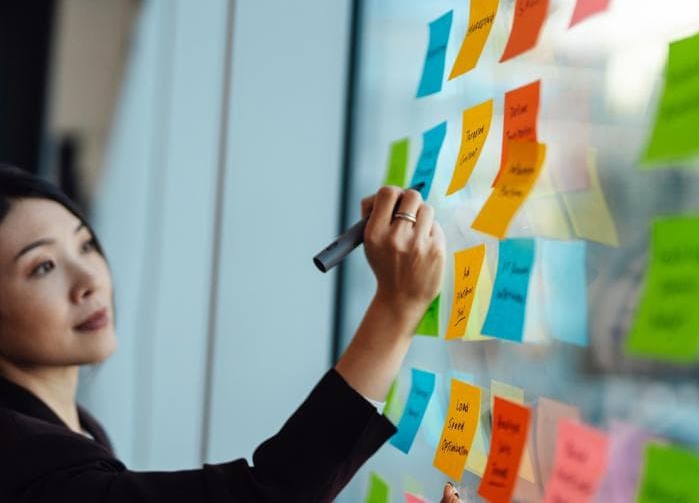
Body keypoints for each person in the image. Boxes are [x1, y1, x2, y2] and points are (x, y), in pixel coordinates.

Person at [0, 164, 459, 502]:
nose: (89, 280)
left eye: (85, 243)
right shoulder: (26, 458)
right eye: (42, 266)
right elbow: (269, 494)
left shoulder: (74, 428)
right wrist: (397, 308)